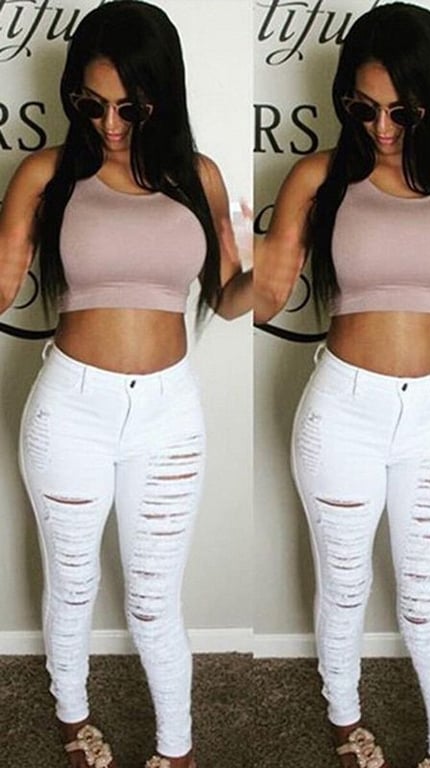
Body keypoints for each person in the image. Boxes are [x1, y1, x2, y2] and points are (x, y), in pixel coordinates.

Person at [254, 3, 430, 767]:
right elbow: (263, 295)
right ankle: (345, 722)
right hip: (344, 411)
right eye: (361, 108)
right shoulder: (318, 177)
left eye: (401, 111)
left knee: (427, 602)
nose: (379, 127)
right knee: (343, 585)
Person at [0, 2, 252, 767]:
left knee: (153, 598)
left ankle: (177, 749)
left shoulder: (198, 177)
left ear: (160, 96)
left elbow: (230, 296)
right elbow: (4, 285)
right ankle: (72, 719)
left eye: (129, 107)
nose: (109, 124)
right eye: (91, 105)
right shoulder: (47, 173)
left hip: (168, 416)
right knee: (72, 582)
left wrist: (271, 265)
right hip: (71, 409)